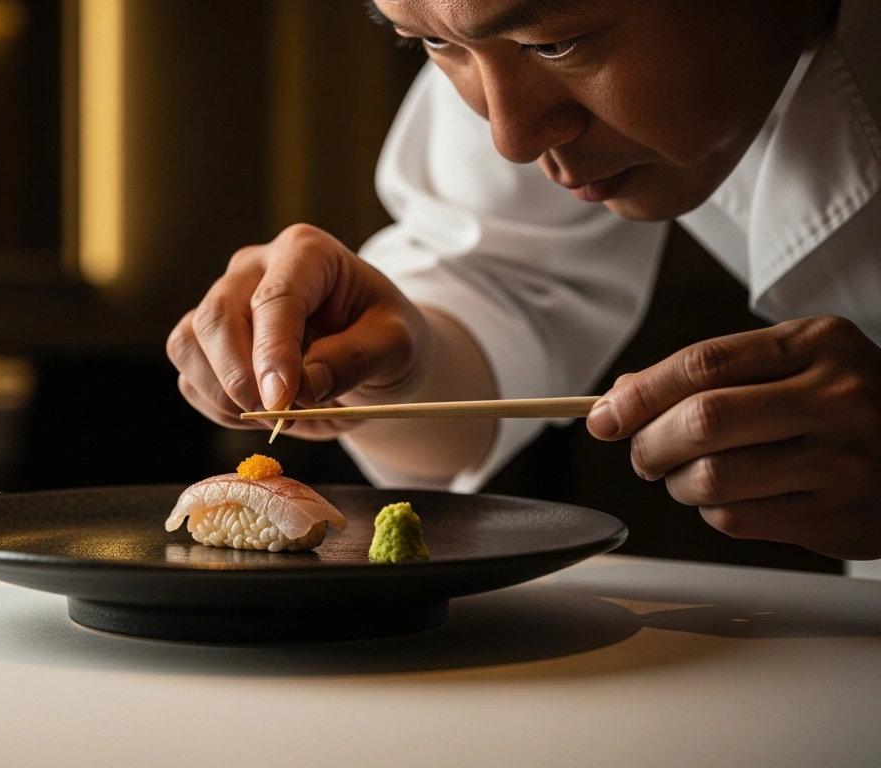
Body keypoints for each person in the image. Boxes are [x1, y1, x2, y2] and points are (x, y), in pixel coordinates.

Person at [166, 0, 881, 560]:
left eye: (556, 45)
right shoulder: (488, 24)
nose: (509, 139)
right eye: (432, 43)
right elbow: (497, 294)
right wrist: (394, 365)